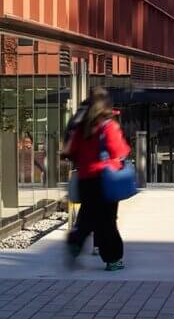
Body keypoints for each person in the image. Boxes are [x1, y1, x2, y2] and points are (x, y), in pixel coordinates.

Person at [64, 90, 129, 271]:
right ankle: (113, 258)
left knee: (87, 215)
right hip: (105, 179)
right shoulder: (108, 126)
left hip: (85, 179)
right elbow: (120, 151)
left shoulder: (82, 127)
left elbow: (71, 151)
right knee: (108, 220)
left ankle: (76, 240)